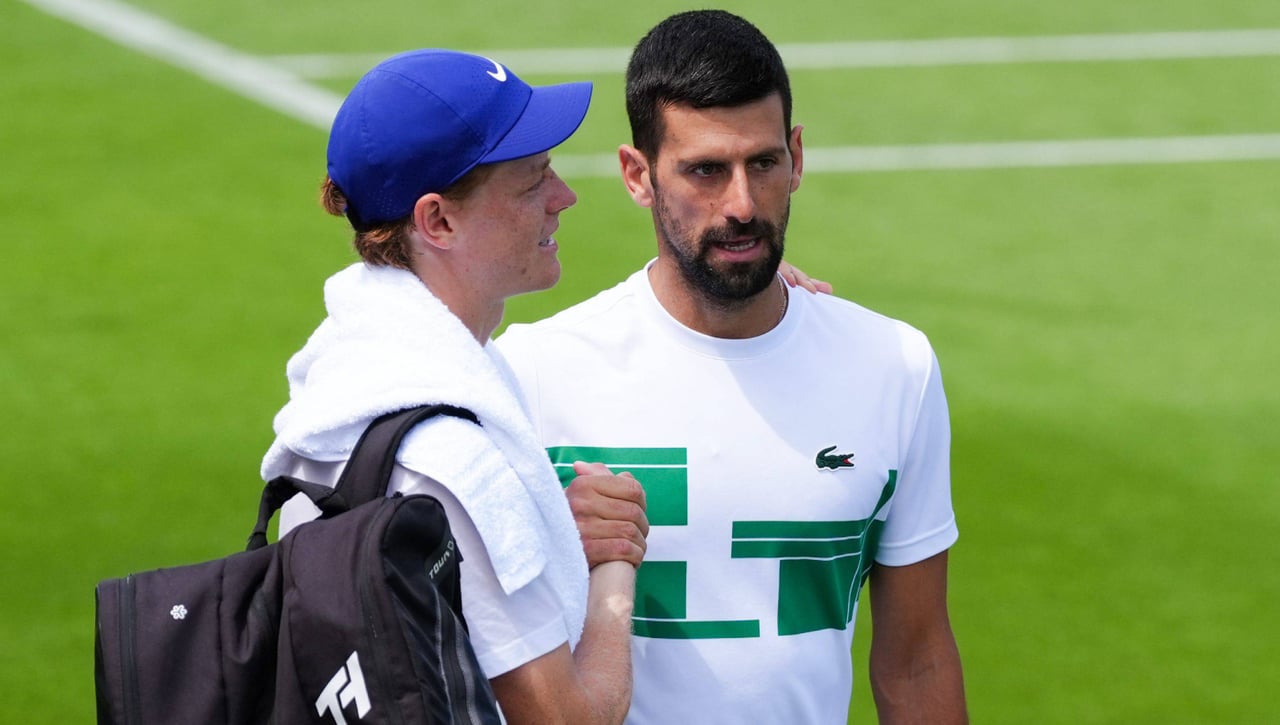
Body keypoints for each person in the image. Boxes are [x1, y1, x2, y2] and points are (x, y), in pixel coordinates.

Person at [495, 10, 967, 723]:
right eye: (706, 171)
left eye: (763, 163)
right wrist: (550, 540)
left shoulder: (893, 367)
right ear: (637, 175)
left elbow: (917, 655)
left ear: (798, 157)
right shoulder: (532, 373)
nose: (742, 205)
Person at [259, 49, 647, 724]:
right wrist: (613, 565)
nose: (565, 197)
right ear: (437, 221)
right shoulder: (451, 462)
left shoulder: (342, 381)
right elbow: (566, 718)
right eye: (532, 182)